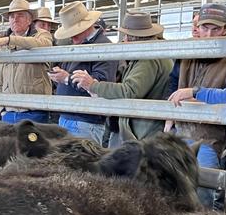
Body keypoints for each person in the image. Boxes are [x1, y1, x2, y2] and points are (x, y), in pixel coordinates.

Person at [71, 12, 172, 147]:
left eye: (125, 36)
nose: (123, 40)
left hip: (143, 133)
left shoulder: (148, 59)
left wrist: (93, 85)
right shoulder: (150, 55)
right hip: (144, 130)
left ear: (133, 38)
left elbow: (129, 90)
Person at [171, 3, 226, 210]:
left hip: (211, 137)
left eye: (216, 29)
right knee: (175, 191)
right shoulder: (188, 54)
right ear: (198, 27)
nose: (209, 33)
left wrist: (195, 92)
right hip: (181, 132)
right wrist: (167, 114)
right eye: (205, 28)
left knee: (204, 191)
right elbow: (171, 87)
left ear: (225, 29)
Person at [48, 1, 118, 143]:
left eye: (74, 32)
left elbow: (100, 83)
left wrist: (67, 79)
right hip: (71, 116)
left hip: (86, 120)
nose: (72, 37)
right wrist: (61, 77)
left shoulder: (103, 47)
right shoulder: (79, 44)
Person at [0, 0, 53, 124]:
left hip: (34, 110)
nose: (15, 19)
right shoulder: (4, 42)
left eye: (20, 15)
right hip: (9, 111)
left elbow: (44, 45)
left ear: (29, 20)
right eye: (12, 16)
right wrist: (3, 109)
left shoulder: (42, 35)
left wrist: (10, 40)